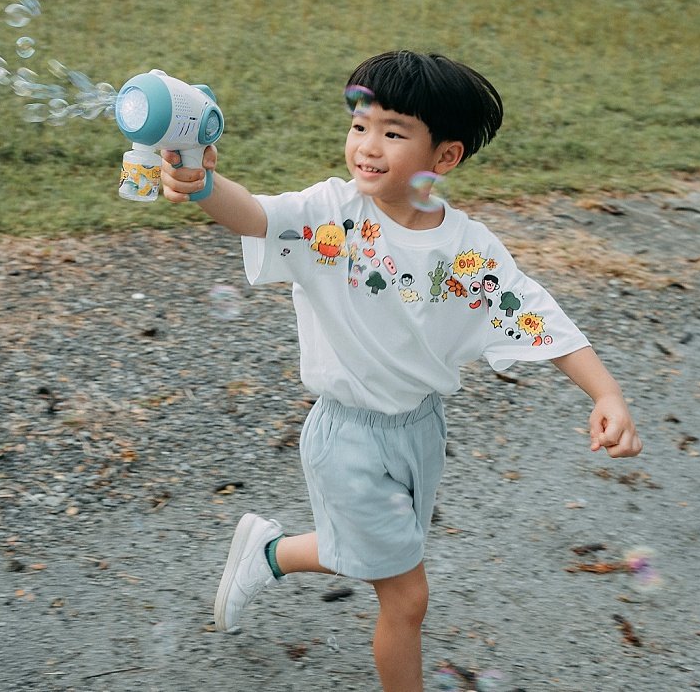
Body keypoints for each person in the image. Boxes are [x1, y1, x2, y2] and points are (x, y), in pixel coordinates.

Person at [159, 50, 643, 691]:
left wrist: (605, 392)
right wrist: (203, 186)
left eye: (393, 132)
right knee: (406, 595)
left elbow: (532, 315)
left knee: (368, 554)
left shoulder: (465, 249)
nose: (368, 145)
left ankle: (268, 553)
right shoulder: (332, 219)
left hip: (419, 432)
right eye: (361, 125)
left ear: (444, 158)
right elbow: (258, 215)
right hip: (346, 437)